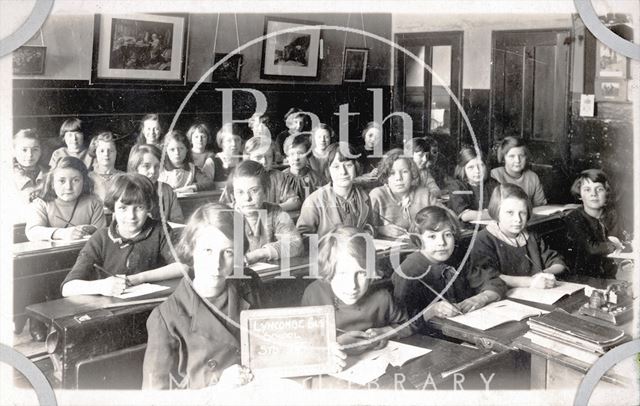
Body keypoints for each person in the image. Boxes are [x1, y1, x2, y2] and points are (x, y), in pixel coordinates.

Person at [142, 203, 262, 389]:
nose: (216, 264)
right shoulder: (166, 317)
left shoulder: (248, 286)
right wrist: (218, 390)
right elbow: (154, 398)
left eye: (228, 252)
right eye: (208, 251)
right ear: (191, 249)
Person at [60, 174, 186, 297]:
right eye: (123, 208)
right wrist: (101, 286)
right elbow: (67, 288)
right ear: (113, 208)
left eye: (139, 207)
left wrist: (137, 278)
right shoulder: (100, 238)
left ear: (148, 207)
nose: (131, 216)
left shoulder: (160, 230)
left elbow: (183, 266)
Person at [392, 206, 506, 333]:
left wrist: (481, 298)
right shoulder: (408, 271)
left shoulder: (458, 259)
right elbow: (401, 323)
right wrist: (432, 311)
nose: (442, 243)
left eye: (447, 235)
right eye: (432, 237)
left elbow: (495, 283)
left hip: (465, 330)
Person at [301, 226, 411, 350]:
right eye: (342, 274)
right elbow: (303, 340)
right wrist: (335, 343)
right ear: (328, 271)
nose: (352, 285)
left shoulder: (383, 296)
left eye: (361, 273)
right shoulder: (315, 294)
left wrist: (385, 332)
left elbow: (410, 324)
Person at [468, 183, 566, 289]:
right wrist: (530, 282)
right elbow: (486, 277)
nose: (518, 219)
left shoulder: (531, 236)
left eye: (522, 213)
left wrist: (544, 274)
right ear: (496, 212)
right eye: (510, 212)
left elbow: (558, 262)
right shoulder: (483, 239)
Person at [297, 143, 376, 238]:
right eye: (336, 166)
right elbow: (302, 238)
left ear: (356, 166)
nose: (343, 172)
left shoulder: (364, 196)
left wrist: (368, 232)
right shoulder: (314, 201)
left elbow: (369, 225)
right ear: (328, 170)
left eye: (348, 165)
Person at [232, 160, 303, 264]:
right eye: (240, 192)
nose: (247, 198)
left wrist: (259, 254)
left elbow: (296, 244)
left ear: (265, 191)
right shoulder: (225, 216)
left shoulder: (276, 212)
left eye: (254, 190)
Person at [25, 156, 105, 241]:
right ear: (52, 183)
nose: (68, 187)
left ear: (84, 182)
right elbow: (32, 231)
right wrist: (63, 233)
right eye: (62, 181)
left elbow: (102, 237)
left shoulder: (94, 203)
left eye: (75, 180)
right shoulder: (41, 203)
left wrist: (91, 230)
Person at [564, 169, 625, 280]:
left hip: (611, 274)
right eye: (587, 190)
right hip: (584, 277)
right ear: (580, 194)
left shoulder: (613, 214)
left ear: (607, 192)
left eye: (599, 189)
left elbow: (618, 238)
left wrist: (618, 245)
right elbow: (591, 248)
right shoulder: (574, 217)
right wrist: (616, 246)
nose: (593, 194)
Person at [369, 149, 441, 239]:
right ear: (386, 176)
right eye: (392, 173)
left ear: (412, 173)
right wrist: (380, 229)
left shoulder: (424, 194)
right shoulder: (377, 196)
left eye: (404, 172)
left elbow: (448, 217)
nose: (399, 178)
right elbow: (365, 229)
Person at [220, 136, 298, 211]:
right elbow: (223, 206)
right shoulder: (237, 176)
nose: (264, 161)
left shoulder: (279, 177)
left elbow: (295, 202)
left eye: (269, 156)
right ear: (248, 158)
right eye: (258, 157)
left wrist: (270, 209)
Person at [127, 144, 184, 223]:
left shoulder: (167, 190)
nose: (153, 171)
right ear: (135, 167)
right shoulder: (126, 190)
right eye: (146, 166)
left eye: (157, 166)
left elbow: (178, 220)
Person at [490, 136, 547, 207]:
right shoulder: (494, 175)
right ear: (503, 158)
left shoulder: (533, 177)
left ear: (526, 157)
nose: (517, 160)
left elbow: (540, 206)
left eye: (521, 156)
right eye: (512, 156)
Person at [447, 147, 499, 222]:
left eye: (481, 166)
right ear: (463, 169)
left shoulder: (493, 184)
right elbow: (465, 216)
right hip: (467, 230)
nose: (477, 171)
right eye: (471, 167)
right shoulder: (457, 186)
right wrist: (494, 214)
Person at [282, 134, 326, 206]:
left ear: (307, 155)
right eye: (292, 154)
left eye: (300, 153)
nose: (296, 158)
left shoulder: (318, 180)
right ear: (287, 157)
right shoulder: (280, 179)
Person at [12, 129, 47, 206]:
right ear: (13, 151)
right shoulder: (10, 175)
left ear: (41, 151)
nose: (30, 154)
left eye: (35, 149)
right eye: (24, 150)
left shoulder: (47, 174)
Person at [87, 132, 124, 201]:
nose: (106, 154)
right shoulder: (88, 177)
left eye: (110, 151)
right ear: (95, 153)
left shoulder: (123, 177)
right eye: (102, 151)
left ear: (116, 152)